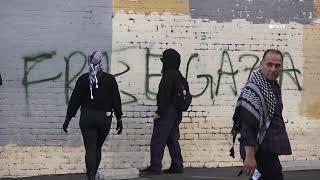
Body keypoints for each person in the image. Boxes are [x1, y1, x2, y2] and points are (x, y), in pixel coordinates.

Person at [230, 49, 292, 180]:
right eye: (269, 64)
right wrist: (250, 157)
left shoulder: (272, 86)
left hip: (268, 150)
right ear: (261, 64)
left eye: (277, 65)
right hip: (258, 151)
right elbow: (247, 127)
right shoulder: (253, 91)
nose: (273, 69)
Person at [62, 51, 123, 180]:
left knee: (90, 148)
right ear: (100, 62)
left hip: (87, 117)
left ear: (89, 61)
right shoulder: (110, 79)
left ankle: (91, 176)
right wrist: (119, 119)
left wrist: (68, 118)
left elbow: (74, 101)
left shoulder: (83, 79)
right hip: (104, 118)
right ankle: (93, 174)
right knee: (97, 147)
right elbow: (116, 100)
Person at [140, 48, 184, 175]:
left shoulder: (168, 75)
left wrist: (159, 112)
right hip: (177, 111)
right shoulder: (178, 75)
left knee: (158, 139)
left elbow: (165, 96)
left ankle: (155, 166)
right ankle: (177, 165)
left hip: (167, 111)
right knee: (172, 138)